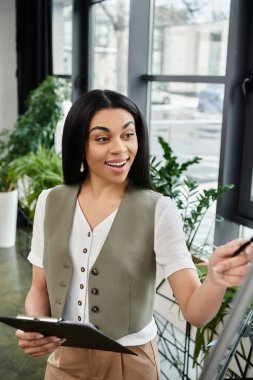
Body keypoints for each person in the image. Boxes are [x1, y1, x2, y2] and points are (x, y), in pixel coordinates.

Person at [16, 89, 252, 380]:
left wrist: (215, 278)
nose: (120, 148)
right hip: (65, 358)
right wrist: (37, 326)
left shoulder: (159, 209)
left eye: (128, 135)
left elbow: (194, 310)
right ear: (80, 144)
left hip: (130, 362)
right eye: (103, 138)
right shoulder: (49, 201)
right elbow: (40, 287)